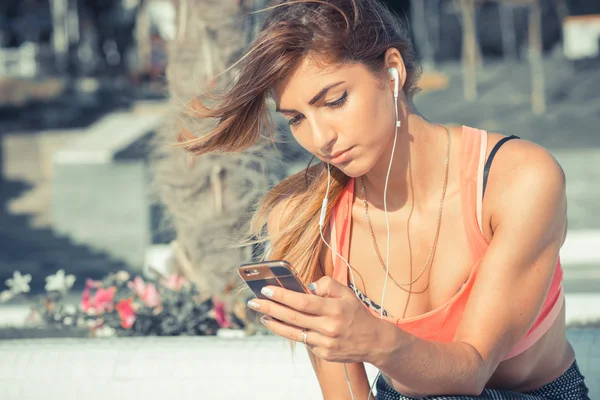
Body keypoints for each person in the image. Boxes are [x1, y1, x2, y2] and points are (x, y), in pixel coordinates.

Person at [178, 0, 590, 398]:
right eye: (297, 119)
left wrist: (376, 341)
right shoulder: (304, 220)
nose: (321, 139)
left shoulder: (515, 180)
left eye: (335, 100)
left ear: (392, 71)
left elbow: (470, 372)